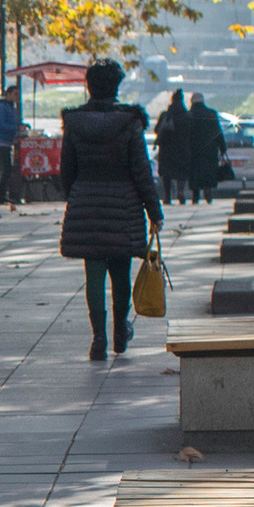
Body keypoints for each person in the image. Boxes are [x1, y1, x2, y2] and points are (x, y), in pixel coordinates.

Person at [60, 59, 162, 360]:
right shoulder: (129, 122)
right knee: (120, 272)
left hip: (87, 203)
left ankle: (98, 339)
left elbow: (67, 171)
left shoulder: (75, 123)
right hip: (123, 206)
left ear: (89, 85)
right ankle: (121, 332)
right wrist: (154, 212)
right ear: (117, 86)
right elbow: (142, 171)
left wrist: (77, 196)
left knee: (93, 273)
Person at [188, 91, 227, 200]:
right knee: (208, 172)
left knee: (195, 173)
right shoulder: (211, 113)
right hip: (210, 149)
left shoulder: (189, 115)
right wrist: (222, 148)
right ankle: (208, 191)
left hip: (194, 149)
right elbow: (218, 132)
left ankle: (195, 196)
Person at [155, 88, 192, 206]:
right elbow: (192, 133)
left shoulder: (165, 115)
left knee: (167, 174)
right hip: (182, 148)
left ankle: (167, 196)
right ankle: (180, 192)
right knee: (181, 172)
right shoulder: (187, 116)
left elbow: (157, 130)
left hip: (166, 149)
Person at [0, 81, 23, 210]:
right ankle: (1, 194)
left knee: (8, 169)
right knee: (5, 169)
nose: (17, 97)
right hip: (1, 143)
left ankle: (4, 194)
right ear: (8, 94)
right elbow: (1, 125)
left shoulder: (12, 109)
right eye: (15, 94)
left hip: (8, 143)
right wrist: (15, 128)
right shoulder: (2, 108)